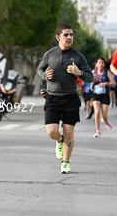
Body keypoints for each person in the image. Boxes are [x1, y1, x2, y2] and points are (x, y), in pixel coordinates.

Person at [37, 24, 93, 174]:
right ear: (58, 37)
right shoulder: (50, 54)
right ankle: (59, 140)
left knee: (69, 132)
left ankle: (66, 162)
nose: (69, 37)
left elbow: (90, 77)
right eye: (66, 35)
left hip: (70, 99)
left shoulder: (78, 56)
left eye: (71, 35)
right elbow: (40, 69)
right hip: (52, 98)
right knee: (51, 131)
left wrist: (78, 72)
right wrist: (44, 75)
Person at [90, 57, 114, 138]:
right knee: (97, 112)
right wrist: (91, 86)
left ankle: (106, 121)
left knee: (104, 116)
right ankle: (97, 131)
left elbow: (113, 83)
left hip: (105, 95)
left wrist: (105, 84)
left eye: (103, 63)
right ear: (96, 64)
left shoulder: (107, 72)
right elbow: (91, 82)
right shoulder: (93, 72)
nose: (101, 64)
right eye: (99, 62)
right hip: (96, 95)